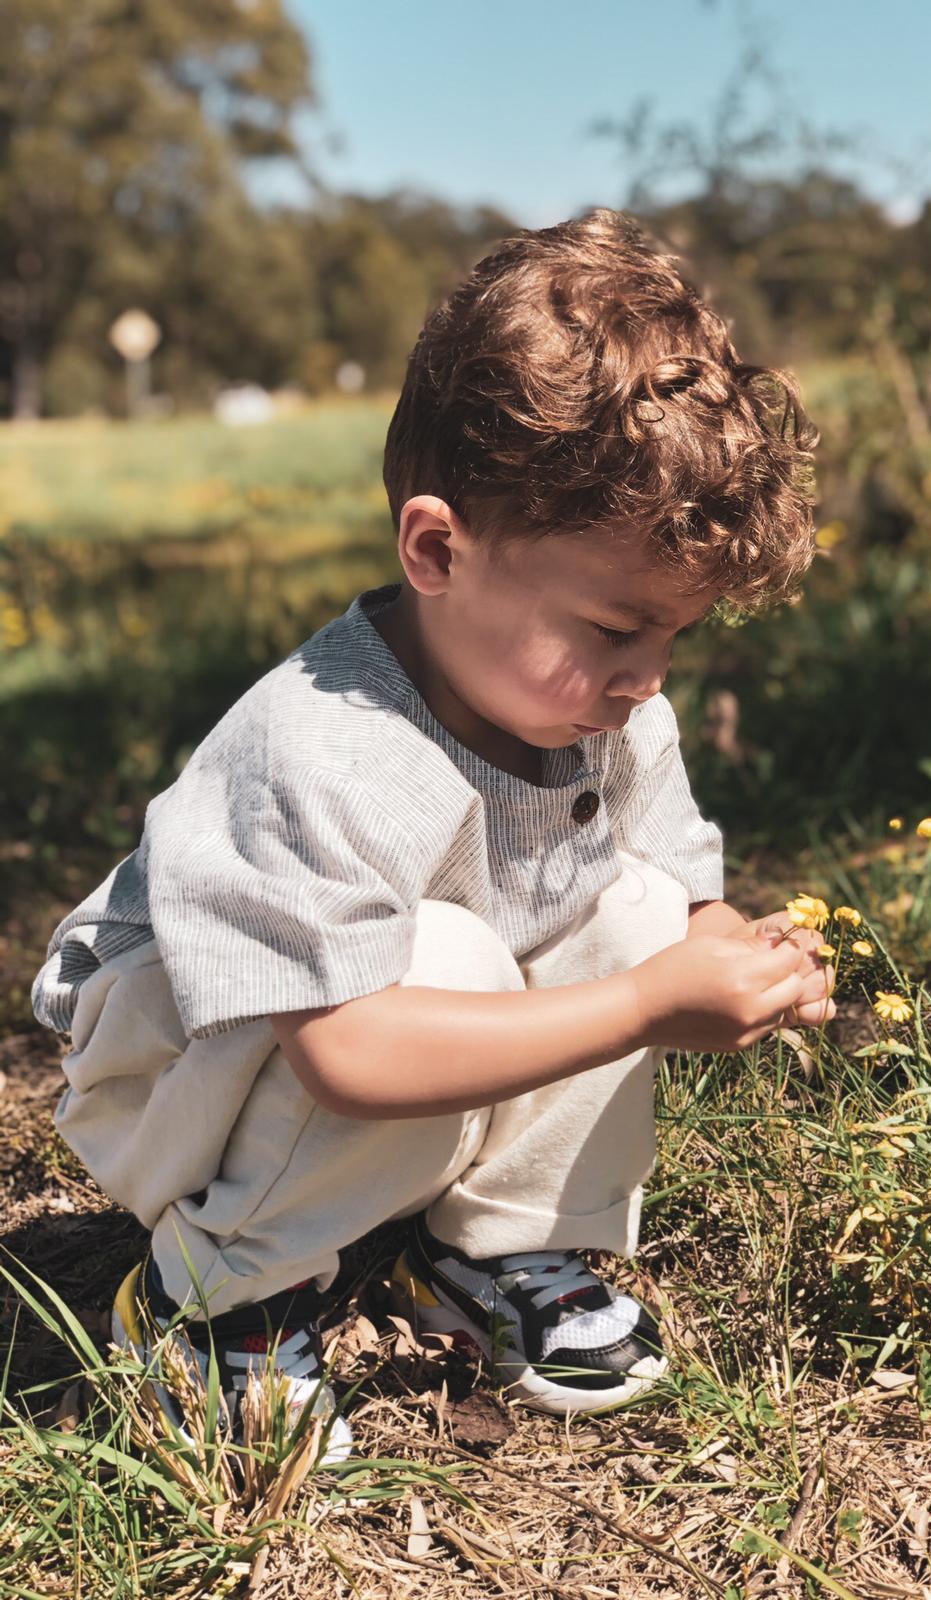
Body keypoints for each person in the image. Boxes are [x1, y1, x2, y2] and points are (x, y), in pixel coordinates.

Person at [30, 209, 834, 1459]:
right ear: (437, 549)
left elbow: (676, 898)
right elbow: (351, 1051)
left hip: (376, 1018)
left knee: (628, 910)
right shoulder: (321, 748)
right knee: (445, 961)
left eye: (676, 636)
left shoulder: (611, 718)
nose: (647, 676)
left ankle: (497, 1247)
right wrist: (643, 1008)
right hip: (180, 1061)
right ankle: (213, 1298)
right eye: (616, 628)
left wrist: (727, 955)